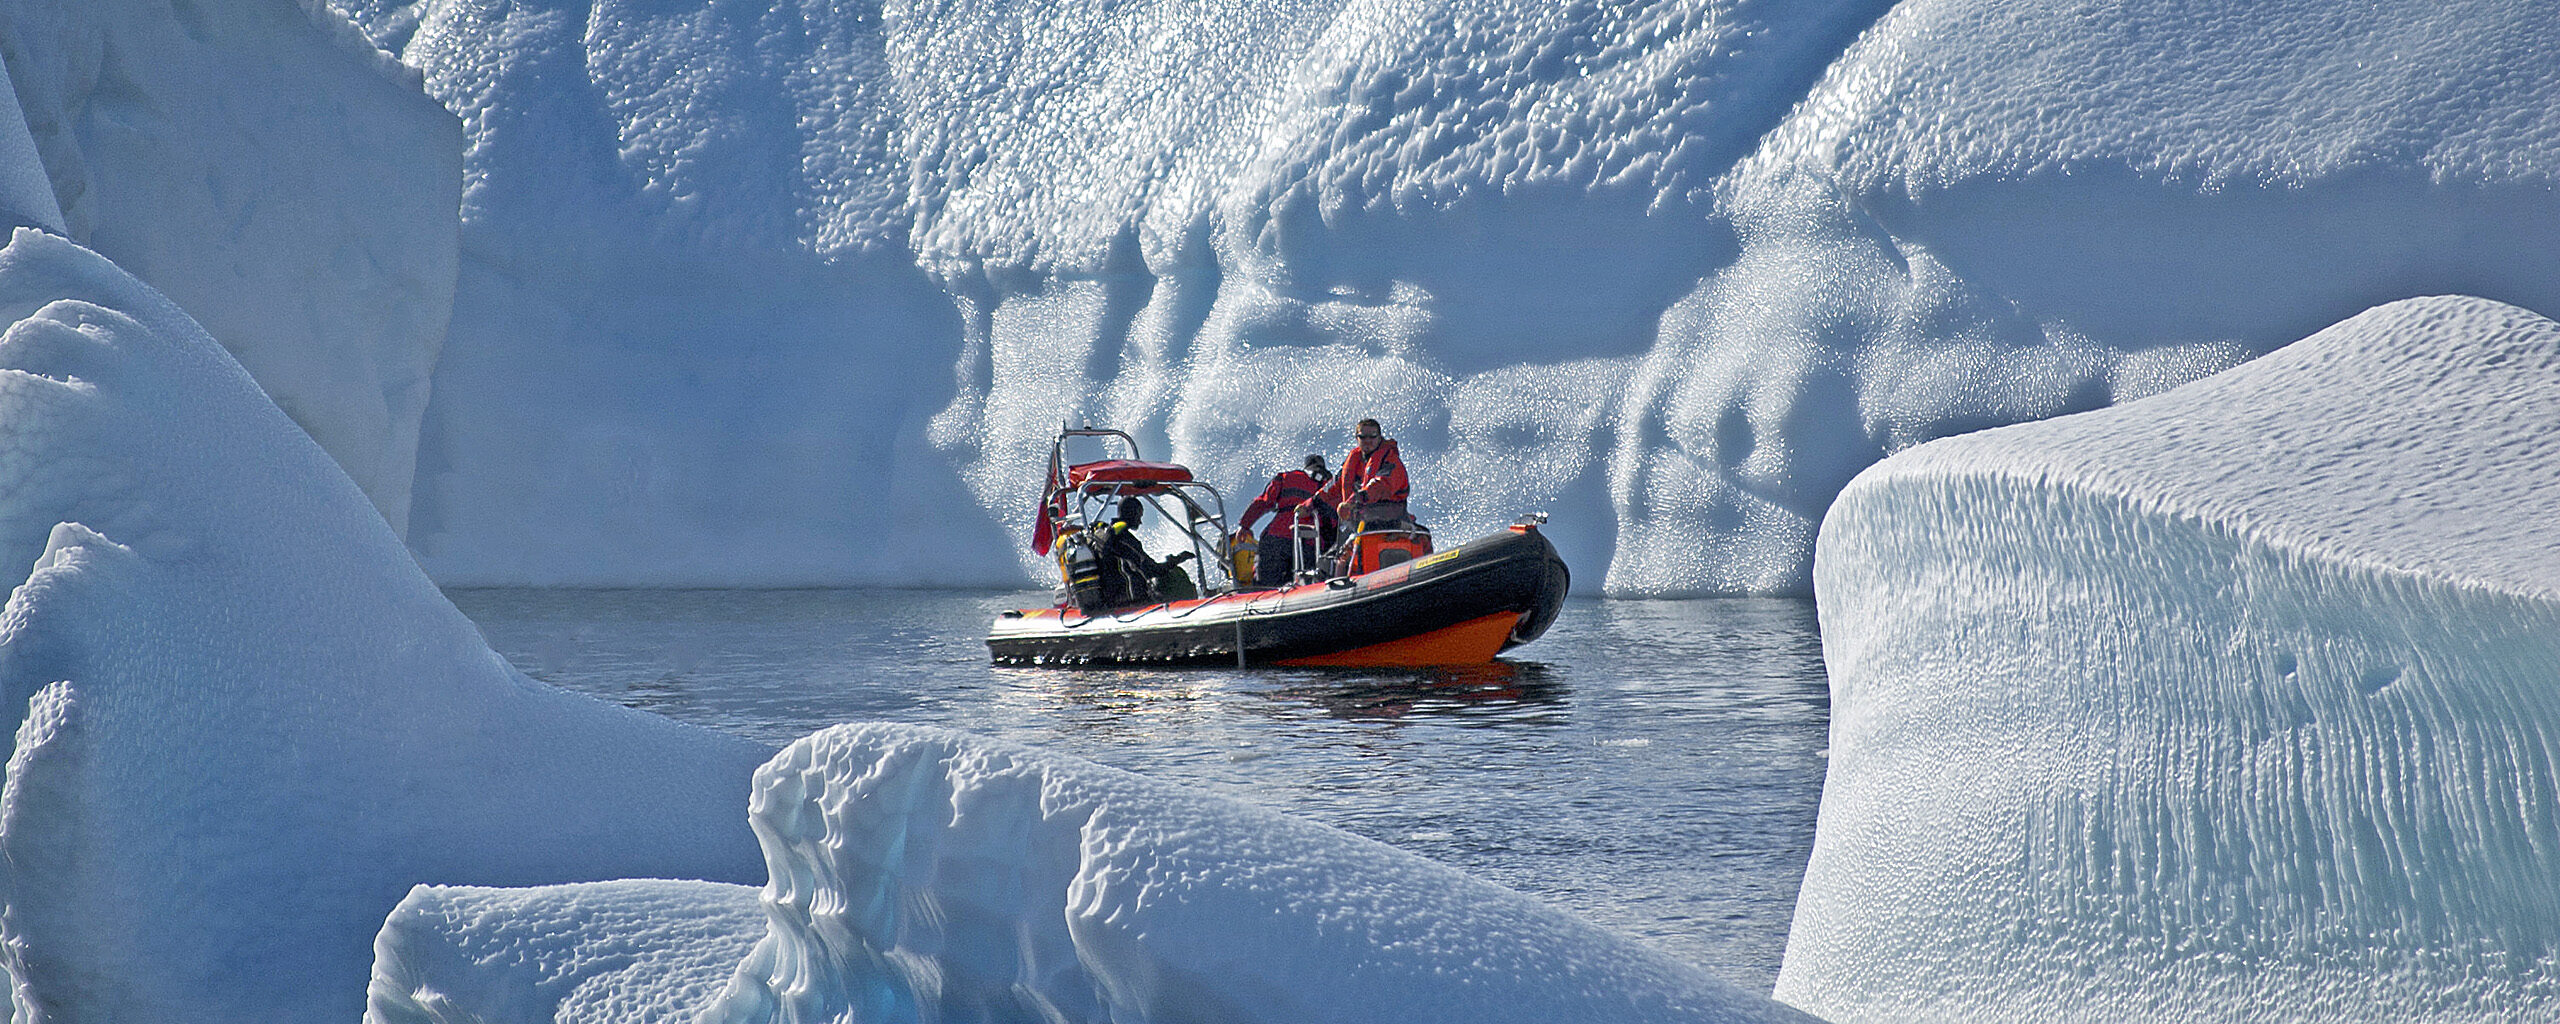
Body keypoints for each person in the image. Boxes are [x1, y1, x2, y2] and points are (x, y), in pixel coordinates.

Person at [1235, 454, 1337, 586]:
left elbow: (1263, 501)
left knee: (1265, 587)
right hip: (1309, 543)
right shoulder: (1331, 486)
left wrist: (1244, 525)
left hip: (1276, 538)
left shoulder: (1286, 478)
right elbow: (1334, 522)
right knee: (1304, 584)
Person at [1316, 417, 1410, 529]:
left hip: (1389, 520)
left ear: (1379, 438)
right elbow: (1332, 486)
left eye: (1372, 436)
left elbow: (1380, 486)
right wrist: (1310, 504)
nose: (1368, 440)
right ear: (1357, 438)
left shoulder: (1390, 461)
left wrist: (1354, 500)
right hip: (1360, 521)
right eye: (1363, 437)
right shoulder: (1354, 462)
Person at [1098, 496, 1193, 605]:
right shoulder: (1124, 539)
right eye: (1139, 516)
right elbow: (1152, 571)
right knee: (1176, 576)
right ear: (1131, 513)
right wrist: (1177, 560)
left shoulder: (1107, 534)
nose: (1140, 522)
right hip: (1131, 601)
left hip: (1111, 598)